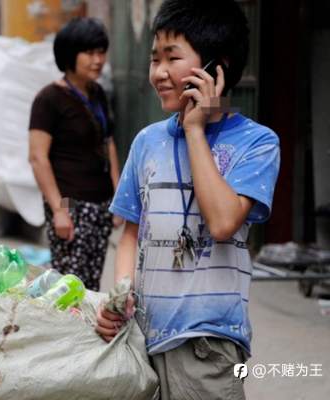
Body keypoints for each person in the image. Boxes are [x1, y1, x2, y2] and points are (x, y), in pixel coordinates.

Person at [96, 1, 280, 399]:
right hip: (144, 338)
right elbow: (131, 233)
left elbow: (222, 223)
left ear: (216, 68)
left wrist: (195, 130)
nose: (158, 73)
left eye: (172, 58)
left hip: (207, 344)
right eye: (154, 59)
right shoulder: (147, 142)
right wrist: (121, 293)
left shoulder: (258, 143)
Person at [29, 17, 122, 291]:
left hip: (100, 204)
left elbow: (109, 143)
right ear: (70, 54)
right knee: (68, 284)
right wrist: (60, 211)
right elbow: (38, 158)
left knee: (91, 283)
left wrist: (118, 197)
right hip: (69, 201)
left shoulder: (98, 93)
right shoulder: (48, 99)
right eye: (90, 53)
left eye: (101, 52)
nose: (98, 60)